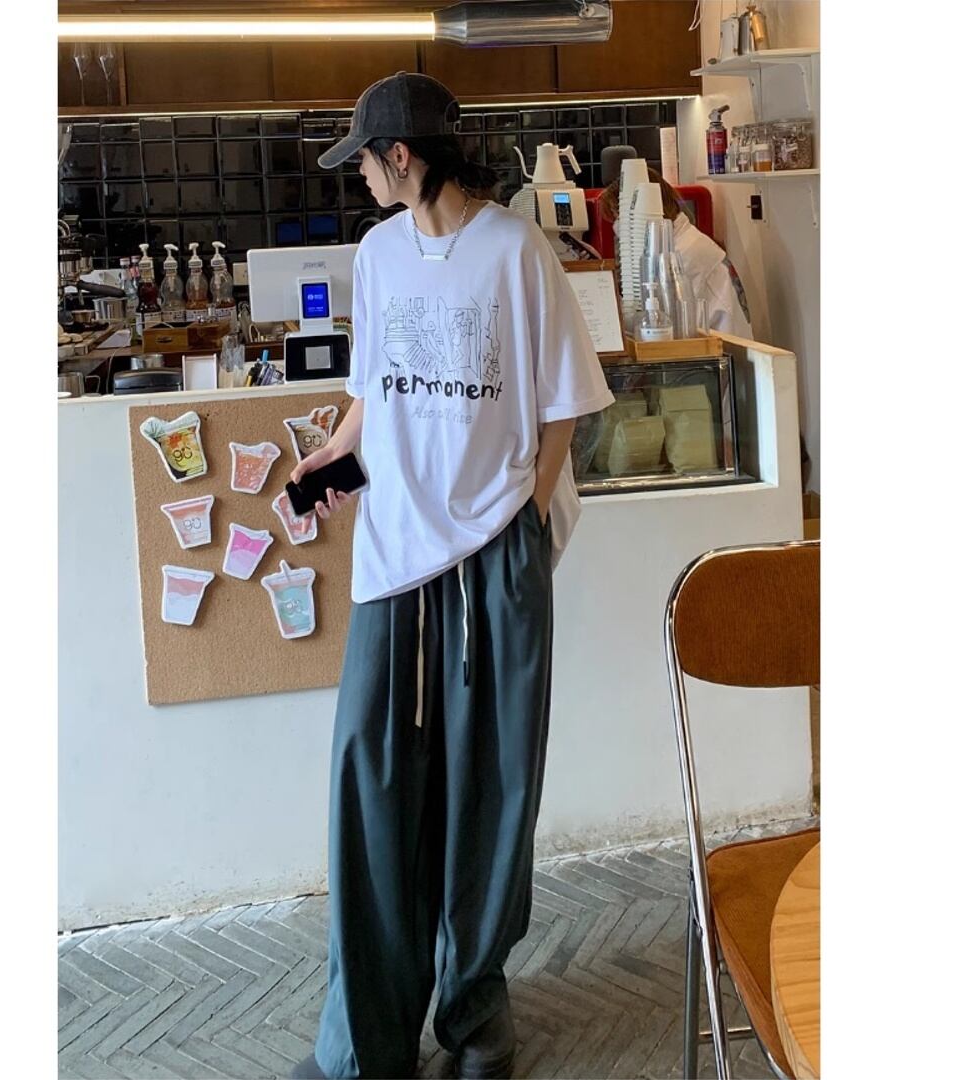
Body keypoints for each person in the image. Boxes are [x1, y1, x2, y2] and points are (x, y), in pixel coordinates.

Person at [287, 72, 614, 1080]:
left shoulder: (516, 251)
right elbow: (374, 393)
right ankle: (365, 1042)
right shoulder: (377, 255)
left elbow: (565, 403)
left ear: (403, 156)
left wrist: (526, 513)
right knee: (373, 787)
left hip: (494, 560)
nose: (360, 177)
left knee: (491, 793)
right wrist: (332, 457)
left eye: (365, 160)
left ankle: (475, 1014)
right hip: (395, 562)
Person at [601, 165, 753, 337]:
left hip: (722, 344)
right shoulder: (678, 243)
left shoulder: (685, 253)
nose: (617, 227)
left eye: (618, 216)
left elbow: (660, 321)